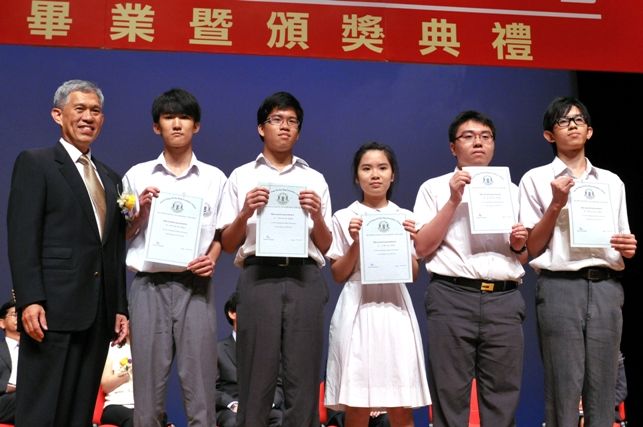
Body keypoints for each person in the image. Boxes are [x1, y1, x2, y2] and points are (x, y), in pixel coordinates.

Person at [7, 79, 129, 426]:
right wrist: (30, 299)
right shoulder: (36, 163)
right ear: (57, 115)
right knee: (42, 408)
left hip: (98, 313)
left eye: (95, 111)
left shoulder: (110, 178)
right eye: (80, 109)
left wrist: (119, 306)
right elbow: (22, 236)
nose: (88, 117)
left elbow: (113, 248)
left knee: (79, 410)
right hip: (51, 310)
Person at [518, 96, 637, 427]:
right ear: (549, 135)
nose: (572, 125)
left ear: (590, 131)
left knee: (605, 386)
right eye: (563, 121)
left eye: (579, 120)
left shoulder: (611, 182)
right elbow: (532, 247)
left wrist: (628, 247)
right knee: (563, 386)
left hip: (606, 287)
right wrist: (556, 203)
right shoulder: (535, 179)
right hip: (560, 287)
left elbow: (622, 240)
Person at [217, 91, 332, 426]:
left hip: (304, 277)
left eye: (292, 121)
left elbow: (326, 245)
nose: (285, 126)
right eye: (277, 119)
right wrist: (245, 212)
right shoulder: (241, 176)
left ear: (298, 131)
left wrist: (317, 216)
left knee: (303, 378)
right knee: (256, 377)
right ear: (261, 128)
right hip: (258, 277)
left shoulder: (313, 179)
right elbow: (228, 243)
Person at [413, 110, 528, 427]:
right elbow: (421, 247)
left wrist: (520, 244)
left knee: (503, 398)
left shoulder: (512, 190)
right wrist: (453, 200)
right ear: (453, 147)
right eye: (469, 136)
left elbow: (521, 256)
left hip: (503, 299)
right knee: (449, 396)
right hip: (452, 296)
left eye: (485, 136)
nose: (478, 142)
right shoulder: (434, 188)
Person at [123, 88, 225, 427]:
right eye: (169, 117)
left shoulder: (215, 178)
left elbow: (222, 234)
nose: (177, 124)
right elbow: (121, 236)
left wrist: (212, 258)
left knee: (201, 389)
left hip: (195, 287)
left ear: (197, 126)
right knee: (147, 391)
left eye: (184, 117)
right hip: (148, 286)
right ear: (157, 127)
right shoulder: (137, 175)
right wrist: (141, 212)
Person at [324, 142, 431, 427]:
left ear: (392, 175)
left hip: (395, 308)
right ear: (356, 176)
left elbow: (414, 274)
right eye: (367, 168)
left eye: (382, 168)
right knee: (357, 404)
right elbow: (338, 274)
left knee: (401, 404)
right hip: (357, 307)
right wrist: (356, 243)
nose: (375, 175)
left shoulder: (406, 217)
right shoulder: (344, 217)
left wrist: (410, 242)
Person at [216, 291, 284, 427]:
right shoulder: (217, 350)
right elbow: (210, 389)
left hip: (263, 406)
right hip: (231, 410)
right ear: (232, 313)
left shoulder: (269, 349)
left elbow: (278, 385)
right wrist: (232, 404)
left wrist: (268, 403)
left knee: (280, 419)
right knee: (233, 422)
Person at [0, 301, 18, 424]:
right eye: (15, 314)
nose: (21, 317)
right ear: (2, 323)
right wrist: (6, 386)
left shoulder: (40, 351)